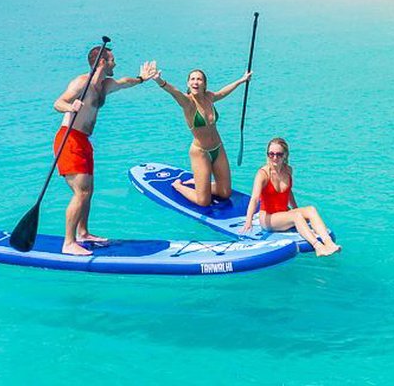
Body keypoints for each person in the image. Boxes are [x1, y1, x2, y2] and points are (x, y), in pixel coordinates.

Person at [53, 47, 157, 256]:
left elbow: (124, 82)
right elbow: (58, 102)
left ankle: (83, 233)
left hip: (83, 140)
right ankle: (69, 242)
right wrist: (70, 107)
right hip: (69, 139)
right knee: (80, 193)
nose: (115, 64)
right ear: (102, 61)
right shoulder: (81, 83)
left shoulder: (105, 85)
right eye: (112, 60)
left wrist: (142, 79)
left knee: (88, 191)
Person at [152, 67, 251, 206]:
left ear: (204, 84)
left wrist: (241, 80)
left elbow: (222, 93)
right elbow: (174, 92)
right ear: (188, 83)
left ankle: (199, 183)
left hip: (218, 148)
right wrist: (159, 80)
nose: (195, 82)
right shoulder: (188, 103)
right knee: (203, 201)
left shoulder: (209, 97)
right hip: (201, 153)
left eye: (199, 79)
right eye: (192, 79)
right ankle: (179, 185)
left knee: (225, 193)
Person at [240, 137, 341, 257]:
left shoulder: (288, 170)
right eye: (271, 154)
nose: (275, 158)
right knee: (296, 216)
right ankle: (318, 247)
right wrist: (248, 221)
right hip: (268, 218)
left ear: (285, 156)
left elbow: (288, 192)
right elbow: (254, 199)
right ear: (267, 155)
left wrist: (296, 208)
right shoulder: (263, 174)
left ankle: (329, 243)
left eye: (278, 154)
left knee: (310, 209)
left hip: (283, 213)